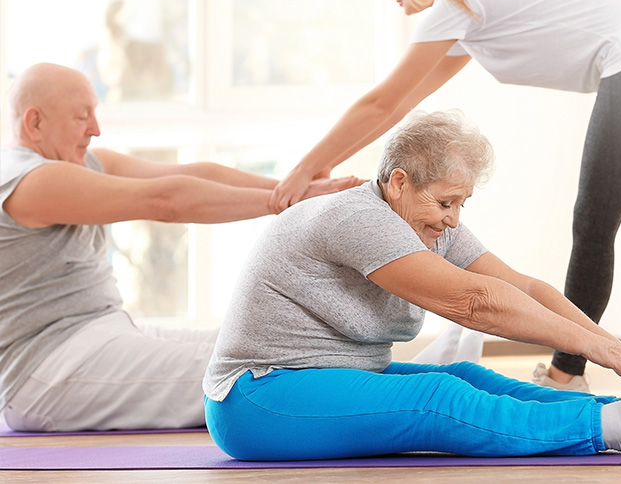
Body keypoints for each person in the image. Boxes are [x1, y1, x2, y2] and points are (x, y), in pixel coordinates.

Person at [268, 0, 621, 412]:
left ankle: (566, 375)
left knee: (594, 223)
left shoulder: (458, 6)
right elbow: (404, 101)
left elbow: (382, 102)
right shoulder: (469, 18)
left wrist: (305, 170)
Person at [203, 110, 621, 461]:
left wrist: (611, 346)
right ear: (399, 182)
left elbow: (523, 288)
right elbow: (476, 303)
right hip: (256, 398)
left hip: (324, 379)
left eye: (461, 204)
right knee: (437, 395)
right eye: (446, 202)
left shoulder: (427, 222)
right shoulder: (359, 217)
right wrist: (592, 349)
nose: (453, 219)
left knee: (470, 376)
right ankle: (611, 431)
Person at [0, 63, 363, 432]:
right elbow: (166, 201)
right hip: (46, 370)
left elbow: (194, 174)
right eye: (82, 116)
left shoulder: (85, 163)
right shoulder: (30, 180)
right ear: (35, 122)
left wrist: (299, 191)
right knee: (256, 366)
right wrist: (282, 203)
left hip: (102, 333)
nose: (95, 128)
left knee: (278, 343)